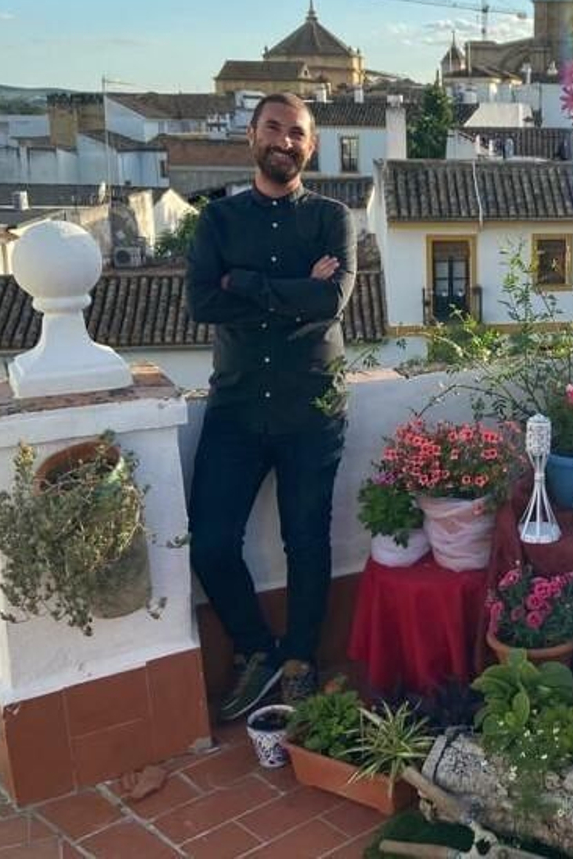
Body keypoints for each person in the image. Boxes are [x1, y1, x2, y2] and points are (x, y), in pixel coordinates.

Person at [185, 92, 357, 719]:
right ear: (252, 136)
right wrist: (294, 289)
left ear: (311, 146)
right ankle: (257, 647)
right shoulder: (219, 222)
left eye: (298, 133)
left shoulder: (334, 219)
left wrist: (247, 283)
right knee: (209, 543)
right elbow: (203, 303)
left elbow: (329, 304)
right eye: (274, 129)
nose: (285, 141)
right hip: (235, 409)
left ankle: (300, 662)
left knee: (306, 542)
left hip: (312, 409)